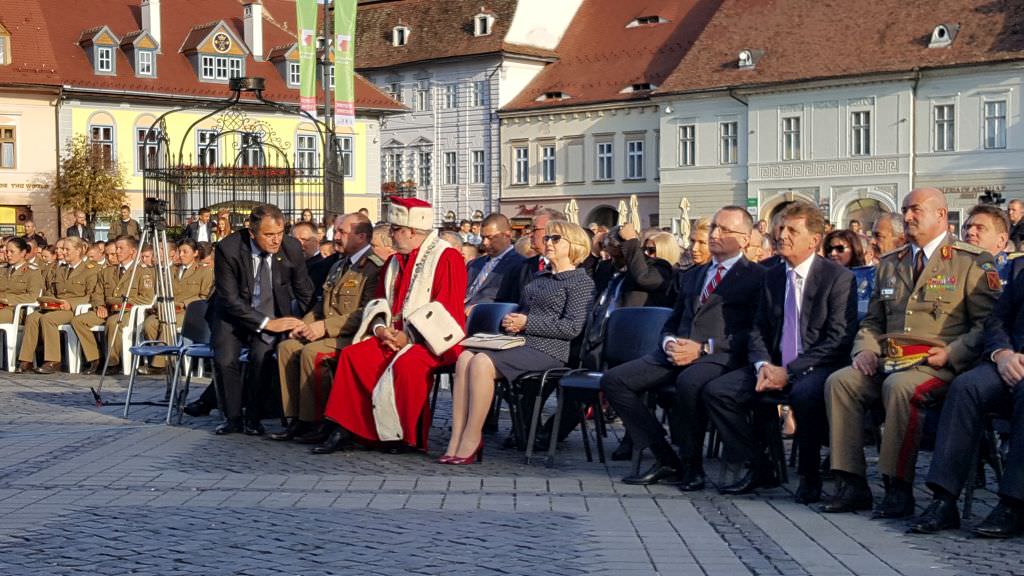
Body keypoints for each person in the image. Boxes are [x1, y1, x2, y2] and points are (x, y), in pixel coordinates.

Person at [823, 188, 1000, 518]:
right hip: (890, 359)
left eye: (915, 210)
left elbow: (986, 324)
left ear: (940, 215)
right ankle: (851, 481)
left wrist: (953, 353)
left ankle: (897, 485)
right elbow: (874, 320)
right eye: (905, 210)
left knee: (900, 387)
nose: (907, 217)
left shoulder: (970, 261)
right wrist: (864, 350)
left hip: (938, 364)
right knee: (841, 382)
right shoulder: (893, 262)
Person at [702, 202, 858, 503]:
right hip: (775, 364)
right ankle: (760, 464)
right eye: (780, 228)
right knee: (718, 391)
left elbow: (838, 338)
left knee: (804, 394)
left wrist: (792, 370)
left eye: (791, 230)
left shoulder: (837, 278)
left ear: (813, 240)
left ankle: (810, 477)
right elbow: (758, 327)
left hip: (816, 365)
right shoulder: (771, 275)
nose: (781, 234)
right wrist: (762, 364)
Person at [600, 206, 765, 487]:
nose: (715, 234)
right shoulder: (693, 275)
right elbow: (673, 320)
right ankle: (665, 457)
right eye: (714, 227)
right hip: (678, 352)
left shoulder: (757, 277)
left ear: (746, 239)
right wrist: (669, 341)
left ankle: (693, 466)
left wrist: (703, 349)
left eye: (725, 230)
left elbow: (753, 332)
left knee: (690, 382)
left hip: (720, 355)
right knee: (615, 381)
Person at [313, 197, 467, 454]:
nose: (391, 235)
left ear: (411, 231)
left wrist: (410, 336)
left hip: (433, 341)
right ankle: (350, 429)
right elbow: (378, 301)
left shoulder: (446, 257)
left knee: (408, 365)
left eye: (395, 230)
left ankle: (405, 436)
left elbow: (447, 308)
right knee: (355, 355)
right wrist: (380, 329)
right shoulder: (395, 260)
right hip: (394, 335)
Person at [444, 220, 594, 464]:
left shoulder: (580, 282)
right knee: (464, 358)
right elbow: (526, 312)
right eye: (548, 238)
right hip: (520, 342)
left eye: (556, 239)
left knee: (481, 361)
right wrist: (513, 321)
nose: (548, 243)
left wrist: (527, 323)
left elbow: (572, 328)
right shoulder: (540, 277)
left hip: (550, 350)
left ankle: (472, 437)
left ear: (574, 246)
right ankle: (457, 436)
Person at [909, 253, 1024, 537]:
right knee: (966, 387)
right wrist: (1002, 354)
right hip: (1009, 362)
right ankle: (944, 499)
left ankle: (1013, 504)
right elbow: (997, 319)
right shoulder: (1022, 267)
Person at [203, 205, 314, 435]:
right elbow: (229, 298)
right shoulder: (229, 248)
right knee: (225, 358)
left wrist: (310, 323)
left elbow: (304, 290)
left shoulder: (291, 247)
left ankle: (254, 418)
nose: (276, 241)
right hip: (231, 314)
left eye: (280, 233)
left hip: (271, 311)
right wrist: (265, 323)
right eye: (269, 235)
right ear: (252, 233)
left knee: (261, 357)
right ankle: (232, 418)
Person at [273, 212, 382, 444]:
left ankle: (320, 421)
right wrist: (305, 325)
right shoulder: (339, 265)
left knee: (313, 353)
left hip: (353, 335)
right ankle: (297, 418)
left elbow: (366, 312)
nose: (336, 236)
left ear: (361, 237)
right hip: (327, 330)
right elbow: (322, 305)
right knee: (287, 347)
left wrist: (324, 327)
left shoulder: (373, 268)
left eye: (342, 232)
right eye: (336, 231)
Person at [70, 235, 156, 375]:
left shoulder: (142, 272)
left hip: (129, 312)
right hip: (107, 310)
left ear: (132, 252)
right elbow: (97, 293)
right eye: (116, 248)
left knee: (113, 322)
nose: (117, 252)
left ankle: (113, 362)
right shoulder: (107, 271)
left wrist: (123, 303)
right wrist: (99, 306)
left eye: (121, 248)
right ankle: (95, 358)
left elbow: (146, 298)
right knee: (78, 321)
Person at [17, 237, 100, 374]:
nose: (63, 252)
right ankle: (26, 360)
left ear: (78, 250)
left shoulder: (91, 269)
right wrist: (47, 300)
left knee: (48, 319)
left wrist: (71, 303)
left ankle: (53, 360)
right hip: (56, 306)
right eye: (62, 249)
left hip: (73, 309)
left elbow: (92, 295)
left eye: (67, 249)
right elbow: (51, 291)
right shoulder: (60, 269)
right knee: (32, 317)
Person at [138, 239, 214, 375]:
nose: (182, 255)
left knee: (169, 325)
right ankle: (162, 359)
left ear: (195, 253)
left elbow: (204, 296)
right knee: (150, 324)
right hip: (168, 310)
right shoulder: (172, 270)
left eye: (185, 252)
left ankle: (159, 366)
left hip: (188, 312)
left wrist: (182, 304)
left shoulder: (204, 271)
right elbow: (162, 291)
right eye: (180, 251)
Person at [464, 213, 526, 315]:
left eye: (490, 238)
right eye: (483, 237)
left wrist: (481, 309)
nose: (485, 242)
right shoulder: (474, 264)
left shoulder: (520, 265)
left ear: (507, 235)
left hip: (487, 320)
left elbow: (515, 303)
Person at [517, 208, 567, 292]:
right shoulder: (525, 266)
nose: (530, 235)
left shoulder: (572, 265)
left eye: (535, 229)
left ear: (553, 230)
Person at [962, 204, 1016, 283]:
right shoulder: (953, 268)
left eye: (980, 228)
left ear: (1001, 240)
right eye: (968, 227)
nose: (969, 232)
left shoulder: (1015, 274)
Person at [0, 237, 44, 324]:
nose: (8, 255)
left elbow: (33, 296)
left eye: (12, 252)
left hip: (16, 310)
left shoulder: (32, 271)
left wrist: (7, 299)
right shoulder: (3, 270)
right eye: (7, 252)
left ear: (23, 253)